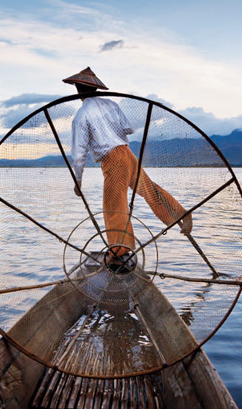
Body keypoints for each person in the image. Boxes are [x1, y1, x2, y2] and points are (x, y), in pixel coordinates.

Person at [64, 67, 192, 270]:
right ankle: (180, 214)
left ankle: (119, 252)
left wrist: (78, 181)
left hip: (112, 158)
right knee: (149, 189)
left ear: (78, 90)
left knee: (114, 206)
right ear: (95, 89)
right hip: (126, 152)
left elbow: (79, 153)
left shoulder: (82, 115)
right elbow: (128, 128)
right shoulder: (110, 104)